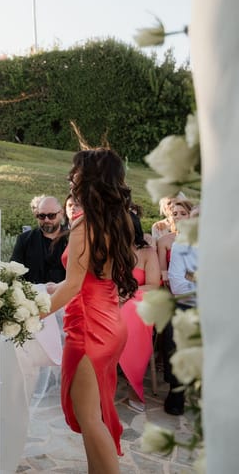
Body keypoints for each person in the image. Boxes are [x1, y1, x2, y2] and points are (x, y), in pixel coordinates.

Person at [44, 148, 138, 473]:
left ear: (91, 179)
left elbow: (73, 286)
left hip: (88, 329)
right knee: (94, 415)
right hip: (111, 324)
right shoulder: (117, 220)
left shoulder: (85, 226)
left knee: (90, 419)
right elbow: (90, 279)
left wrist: (30, 313)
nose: (72, 177)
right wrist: (59, 290)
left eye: (77, 172)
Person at [119, 210, 161, 412]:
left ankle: (133, 385)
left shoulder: (147, 252)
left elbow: (154, 285)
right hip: (113, 298)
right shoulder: (109, 251)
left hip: (141, 297)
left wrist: (129, 292)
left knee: (132, 311)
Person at [162, 206, 199, 415]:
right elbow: (177, 284)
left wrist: (192, 277)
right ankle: (176, 391)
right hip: (185, 305)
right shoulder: (180, 247)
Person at [11, 195, 68, 284]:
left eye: (51, 215)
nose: (46, 220)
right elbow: (14, 273)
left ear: (61, 213)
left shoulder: (71, 239)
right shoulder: (24, 240)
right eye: (42, 216)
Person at [157, 199, 194, 286]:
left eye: (183, 214)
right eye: (175, 214)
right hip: (173, 283)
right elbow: (163, 271)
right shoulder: (164, 241)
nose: (178, 216)